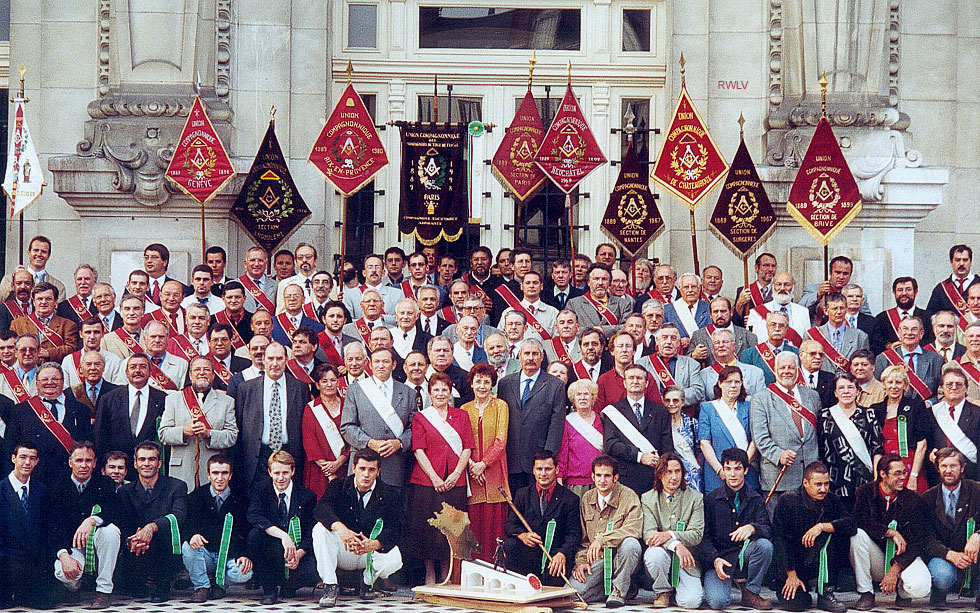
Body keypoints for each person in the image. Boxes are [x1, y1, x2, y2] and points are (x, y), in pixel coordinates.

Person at [312, 447, 405, 606]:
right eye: (362, 468)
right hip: (344, 549)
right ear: (354, 468)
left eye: (371, 469)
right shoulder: (338, 485)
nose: (366, 474)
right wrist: (340, 528)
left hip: (369, 552)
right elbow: (321, 509)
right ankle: (330, 585)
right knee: (320, 530)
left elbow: (397, 527)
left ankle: (367, 582)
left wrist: (376, 543)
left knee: (395, 558)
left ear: (378, 471)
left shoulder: (389, 493)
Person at [407, 372, 475, 584]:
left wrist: (456, 473)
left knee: (452, 527)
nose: (440, 393)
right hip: (427, 481)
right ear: (430, 392)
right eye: (436, 389)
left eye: (444, 389)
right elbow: (418, 450)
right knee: (428, 529)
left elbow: (467, 447)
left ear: (450, 392)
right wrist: (435, 477)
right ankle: (430, 572)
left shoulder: (461, 415)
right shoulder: (421, 417)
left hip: (455, 481)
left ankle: (447, 571)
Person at [850, 453, 931, 609]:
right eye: (897, 473)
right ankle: (866, 592)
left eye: (904, 473)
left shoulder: (913, 500)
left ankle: (903, 593)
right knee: (857, 536)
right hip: (877, 557)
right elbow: (858, 521)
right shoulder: (865, 492)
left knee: (921, 586)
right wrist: (890, 532)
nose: (902, 478)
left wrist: (896, 567)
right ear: (883, 474)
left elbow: (919, 540)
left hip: (903, 557)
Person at [772, 461, 854, 612]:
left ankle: (826, 592)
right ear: (805, 483)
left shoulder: (832, 500)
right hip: (794, 563)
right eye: (818, 484)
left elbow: (851, 524)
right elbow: (780, 540)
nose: (823, 489)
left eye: (826, 484)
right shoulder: (788, 501)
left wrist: (822, 527)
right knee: (797, 603)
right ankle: (801, 590)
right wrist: (790, 574)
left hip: (819, 559)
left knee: (839, 534)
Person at [115, 441, 188, 603]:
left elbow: (179, 515)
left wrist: (152, 527)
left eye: (151, 459)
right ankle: (138, 582)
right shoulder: (125, 491)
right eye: (142, 459)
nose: (147, 464)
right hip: (136, 548)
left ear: (159, 463)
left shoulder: (177, 486)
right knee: (133, 589)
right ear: (135, 463)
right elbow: (123, 523)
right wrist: (132, 540)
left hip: (165, 548)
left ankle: (163, 586)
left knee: (164, 534)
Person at [50, 441, 121, 609]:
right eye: (79, 460)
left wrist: (91, 520)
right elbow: (52, 526)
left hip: (97, 541)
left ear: (95, 463)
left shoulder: (105, 483)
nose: (84, 465)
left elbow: (113, 512)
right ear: (70, 462)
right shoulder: (56, 485)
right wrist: (64, 556)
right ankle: (75, 588)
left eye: (88, 461)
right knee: (63, 572)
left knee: (110, 532)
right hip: (71, 545)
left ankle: (104, 591)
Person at [701, 447, 774, 610]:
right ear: (723, 471)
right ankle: (725, 581)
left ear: (746, 470)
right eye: (728, 469)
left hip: (745, 556)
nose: (733, 474)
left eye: (738, 468)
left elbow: (768, 529)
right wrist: (714, 559)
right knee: (718, 602)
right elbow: (704, 537)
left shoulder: (755, 498)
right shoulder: (711, 499)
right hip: (721, 559)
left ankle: (751, 592)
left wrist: (752, 528)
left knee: (764, 546)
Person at [750, 352, 822, 513]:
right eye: (782, 367)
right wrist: (778, 454)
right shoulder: (761, 398)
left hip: (811, 478)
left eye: (791, 367)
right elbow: (760, 438)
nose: (786, 371)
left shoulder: (812, 396)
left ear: (798, 370)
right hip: (779, 477)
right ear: (775, 371)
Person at [246, 450, 319, 605]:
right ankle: (269, 589)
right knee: (255, 536)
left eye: (285, 472)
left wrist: (299, 553)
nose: (281, 478)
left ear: (293, 471)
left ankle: (290, 585)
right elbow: (254, 516)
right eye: (276, 472)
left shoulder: (307, 496)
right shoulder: (260, 490)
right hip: (273, 545)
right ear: (269, 472)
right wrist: (284, 536)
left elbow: (311, 530)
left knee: (311, 572)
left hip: (298, 550)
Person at [570, 455, 642, 607]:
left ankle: (619, 591)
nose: (602, 480)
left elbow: (634, 528)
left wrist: (602, 540)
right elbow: (583, 540)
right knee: (572, 594)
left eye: (607, 475)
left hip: (620, 558)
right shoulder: (587, 498)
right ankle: (621, 587)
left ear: (615, 477)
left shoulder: (628, 496)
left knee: (631, 544)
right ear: (592, 476)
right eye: (599, 475)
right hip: (598, 559)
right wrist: (581, 562)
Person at [3, 362, 91, 486]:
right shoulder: (21, 411)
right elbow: (10, 447)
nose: (50, 382)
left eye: (55, 378)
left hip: (70, 480)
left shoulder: (80, 410)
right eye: (44, 379)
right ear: (37, 383)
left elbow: (88, 445)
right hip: (35, 480)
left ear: (63, 381)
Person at [233, 342, 309, 486]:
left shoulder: (300, 388)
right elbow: (240, 426)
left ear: (287, 360)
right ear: (264, 360)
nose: (275, 363)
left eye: (279, 359)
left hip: (289, 455)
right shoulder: (246, 389)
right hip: (257, 457)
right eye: (271, 358)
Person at [158, 356, 238, 490]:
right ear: (190, 375)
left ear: (213, 375)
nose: (202, 373)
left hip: (213, 472)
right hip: (182, 471)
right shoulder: (174, 399)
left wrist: (209, 434)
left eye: (206, 369)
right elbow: (163, 434)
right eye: (197, 369)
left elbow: (232, 436)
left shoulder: (226, 402)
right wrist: (183, 431)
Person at [181, 455, 253, 602]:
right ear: (208, 474)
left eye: (224, 473)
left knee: (244, 573)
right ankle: (202, 586)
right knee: (187, 548)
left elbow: (248, 530)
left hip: (229, 555)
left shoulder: (241, 499)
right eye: (215, 473)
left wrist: (245, 554)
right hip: (205, 554)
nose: (220, 478)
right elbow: (186, 523)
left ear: (230, 475)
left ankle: (220, 585)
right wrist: (192, 535)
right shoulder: (196, 496)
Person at [499, 338, 567, 493]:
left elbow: (556, 425)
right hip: (511, 457)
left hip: (539, 459)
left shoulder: (554, 385)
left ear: (542, 357)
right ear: (519, 356)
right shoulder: (505, 384)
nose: (530, 358)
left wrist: (547, 459)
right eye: (527, 353)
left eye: (535, 354)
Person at [340, 347, 415, 487]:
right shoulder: (355, 390)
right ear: (370, 364)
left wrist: (399, 443)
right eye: (377, 361)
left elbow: (414, 428)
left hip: (395, 465)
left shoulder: (408, 392)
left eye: (385, 361)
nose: (381, 365)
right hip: (363, 461)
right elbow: (347, 427)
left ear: (393, 365)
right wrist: (369, 442)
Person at [641, 451, 704, 609]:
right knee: (654, 553)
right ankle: (663, 592)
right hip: (662, 559)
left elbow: (696, 535)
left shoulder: (696, 498)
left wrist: (669, 535)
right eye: (669, 472)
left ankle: (678, 591)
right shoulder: (648, 498)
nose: (674, 477)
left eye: (677, 471)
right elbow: (649, 535)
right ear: (660, 474)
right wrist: (676, 545)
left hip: (686, 562)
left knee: (691, 602)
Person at [461, 362, 511, 562]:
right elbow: (463, 441)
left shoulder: (500, 406)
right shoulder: (464, 409)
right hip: (472, 474)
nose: (482, 386)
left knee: (494, 526)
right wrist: (472, 465)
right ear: (471, 384)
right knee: (475, 525)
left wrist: (484, 464)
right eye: (478, 381)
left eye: (486, 382)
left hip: (495, 472)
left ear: (492, 385)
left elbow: (501, 440)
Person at [922, 447, 980, 606]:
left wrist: (978, 535)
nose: (948, 471)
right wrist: (949, 554)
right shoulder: (928, 498)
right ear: (937, 468)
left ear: (962, 468)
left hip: (975, 553)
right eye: (944, 466)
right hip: (944, 556)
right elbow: (926, 537)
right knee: (942, 576)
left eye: (953, 466)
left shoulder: (976, 490)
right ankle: (939, 593)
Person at [0, 441, 54, 609]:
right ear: (13, 458)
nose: (27, 462)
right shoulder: (1, 490)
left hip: (33, 560)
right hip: (6, 560)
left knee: (45, 604)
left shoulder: (41, 490)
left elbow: (46, 529)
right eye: (23, 457)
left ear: (37, 461)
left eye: (32, 458)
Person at [820, 373, 883, 510]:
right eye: (841, 388)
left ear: (857, 391)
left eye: (850, 387)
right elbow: (820, 449)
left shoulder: (869, 414)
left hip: (864, 481)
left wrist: (876, 479)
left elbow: (877, 449)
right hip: (834, 481)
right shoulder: (825, 416)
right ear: (835, 393)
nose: (846, 391)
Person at [94, 353, 167, 459]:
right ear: (126, 373)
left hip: (148, 465)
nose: (137, 370)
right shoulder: (109, 399)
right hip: (117, 467)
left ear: (150, 372)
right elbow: (100, 436)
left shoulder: (162, 399)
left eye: (143, 367)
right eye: (133, 367)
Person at [699, 365, 760, 492]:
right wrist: (720, 469)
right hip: (716, 474)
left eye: (737, 382)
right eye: (728, 382)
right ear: (720, 383)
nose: (733, 385)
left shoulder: (750, 406)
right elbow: (705, 443)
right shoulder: (708, 408)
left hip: (746, 473)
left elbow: (755, 439)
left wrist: (741, 467)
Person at [871, 365, 930, 493]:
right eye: (890, 382)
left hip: (910, 464)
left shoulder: (916, 406)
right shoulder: (876, 409)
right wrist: (877, 475)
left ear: (905, 385)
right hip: (886, 467)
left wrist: (914, 476)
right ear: (884, 384)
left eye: (898, 382)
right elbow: (876, 446)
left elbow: (922, 444)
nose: (894, 386)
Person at [301, 364, 348, 498]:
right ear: (317, 385)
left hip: (345, 466)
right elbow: (310, 443)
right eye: (324, 381)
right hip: (320, 470)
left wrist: (338, 463)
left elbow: (352, 436)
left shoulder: (347, 405)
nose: (329, 385)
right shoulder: (310, 409)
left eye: (333, 380)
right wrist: (329, 470)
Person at [874, 316, 944, 404]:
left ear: (921, 334)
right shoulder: (883, 358)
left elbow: (941, 391)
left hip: (926, 411)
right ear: (899, 333)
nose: (909, 333)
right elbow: (878, 390)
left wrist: (930, 403)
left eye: (914, 329)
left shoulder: (935, 359)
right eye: (905, 329)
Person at [928, 367, 980, 481]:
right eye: (949, 384)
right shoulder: (931, 413)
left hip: (971, 477)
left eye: (959, 384)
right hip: (939, 477)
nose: (954, 387)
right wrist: (930, 453)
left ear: (966, 388)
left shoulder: (977, 413)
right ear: (942, 388)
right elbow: (926, 444)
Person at [640, 324, 706, 408]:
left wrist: (673, 399)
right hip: (652, 413)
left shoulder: (691, 364)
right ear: (657, 341)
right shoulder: (642, 363)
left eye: (673, 338)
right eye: (664, 337)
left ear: (679, 343)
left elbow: (698, 391)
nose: (668, 342)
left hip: (681, 413)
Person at [10, 281, 79, 362]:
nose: (43, 302)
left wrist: (48, 353)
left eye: (48, 299)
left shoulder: (68, 325)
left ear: (56, 302)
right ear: (33, 302)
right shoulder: (17, 324)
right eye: (40, 299)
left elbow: (72, 349)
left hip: (55, 369)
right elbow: (13, 349)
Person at [558, 378, 604, 498]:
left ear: (592, 397)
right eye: (579, 394)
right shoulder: (567, 423)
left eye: (586, 394)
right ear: (573, 399)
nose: (582, 397)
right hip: (576, 484)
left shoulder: (602, 420)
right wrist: (559, 477)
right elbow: (563, 453)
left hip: (601, 480)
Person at [805, 292, 869, 376]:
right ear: (826, 311)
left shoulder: (860, 336)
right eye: (835, 308)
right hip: (821, 385)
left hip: (848, 385)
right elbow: (806, 363)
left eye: (842, 308)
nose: (839, 312)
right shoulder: (811, 335)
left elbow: (863, 366)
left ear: (846, 310)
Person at [871, 276, 934, 355]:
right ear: (894, 293)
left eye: (908, 289)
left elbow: (932, 341)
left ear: (916, 291)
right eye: (900, 290)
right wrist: (888, 346)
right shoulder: (882, 318)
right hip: (892, 363)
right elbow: (876, 343)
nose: (904, 293)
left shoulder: (928, 317)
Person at [745, 271, 811, 344]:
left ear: (793, 287)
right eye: (778, 284)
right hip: (766, 354)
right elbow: (750, 341)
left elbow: (807, 342)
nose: (782, 288)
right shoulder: (756, 313)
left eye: (787, 285)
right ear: (773, 286)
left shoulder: (803, 312)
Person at [689, 297, 757, 366]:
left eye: (723, 311)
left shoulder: (748, 336)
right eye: (715, 312)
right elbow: (686, 362)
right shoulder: (699, 335)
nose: (719, 315)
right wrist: (693, 355)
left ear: (731, 312)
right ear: (710, 315)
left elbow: (756, 362)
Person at [700, 328, 768, 397]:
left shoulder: (755, 373)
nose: (721, 345)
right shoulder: (703, 375)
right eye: (717, 343)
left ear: (734, 346)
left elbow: (762, 402)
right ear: (713, 347)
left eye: (725, 342)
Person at [567, 264, 630, 337]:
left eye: (604, 279)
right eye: (596, 279)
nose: (600, 283)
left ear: (609, 283)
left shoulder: (623, 304)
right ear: (588, 282)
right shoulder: (574, 304)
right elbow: (571, 329)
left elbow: (626, 327)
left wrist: (602, 330)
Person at [63, 316, 124, 390]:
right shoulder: (69, 361)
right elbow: (64, 390)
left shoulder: (114, 360)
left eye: (96, 332)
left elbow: (118, 390)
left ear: (103, 334)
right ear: (81, 334)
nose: (92, 336)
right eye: (88, 332)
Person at [740, 311, 799, 385]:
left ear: (787, 328)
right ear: (767, 326)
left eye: (781, 325)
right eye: (773, 325)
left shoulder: (796, 353)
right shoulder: (750, 354)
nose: (777, 329)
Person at [663, 385, 701, 492]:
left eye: (675, 400)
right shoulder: (659, 424)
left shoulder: (692, 423)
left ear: (682, 402)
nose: (671, 404)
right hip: (669, 476)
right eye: (667, 400)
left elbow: (699, 451)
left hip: (692, 477)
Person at [927, 245, 980, 318]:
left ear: (970, 261)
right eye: (957, 260)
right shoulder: (941, 289)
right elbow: (931, 317)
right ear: (951, 262)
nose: (961, 264)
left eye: (965, 260)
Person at [664, 273, 711, 342]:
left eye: (693, 286)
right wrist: (679, 341)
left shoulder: (709, 308)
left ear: (699, 288)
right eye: (686, 287)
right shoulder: (667, 310)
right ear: (680, 289)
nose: (690, 290)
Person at [734, 252, 777, 326]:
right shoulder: (744, 290)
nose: (770, 269)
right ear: (756, 268)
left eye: (773, 266)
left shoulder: (780, 292)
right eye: (766, 265)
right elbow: (736, 322)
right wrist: (739, 304)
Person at [239, 246, 278, 313]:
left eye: (260, 260)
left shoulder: (277, 286)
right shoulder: (236, 284)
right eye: (252, 260)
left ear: (266, 264)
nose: (256, 264)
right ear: (245, 264)